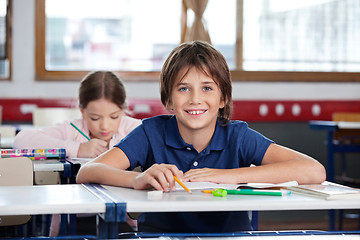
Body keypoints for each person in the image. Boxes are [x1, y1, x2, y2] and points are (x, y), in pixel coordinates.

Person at [76, 41, 326, 233]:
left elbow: (313, 171)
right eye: (183, 88)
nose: (195, 99)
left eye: (207, 88)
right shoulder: (151, 132)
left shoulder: (237, 136)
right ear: (168, 99)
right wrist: (137, 178)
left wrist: (227, 176)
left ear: (223, 98)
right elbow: (87, 171)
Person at [14, 71, 141, 235]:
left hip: (122, 218)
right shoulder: (72, 129)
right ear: (82, 111)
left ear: (123, 110)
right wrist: (77, 148)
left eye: (114, 116)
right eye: (95, 118)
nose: (105, 126)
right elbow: (21, 139)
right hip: (74, 217)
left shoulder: (133, 128)